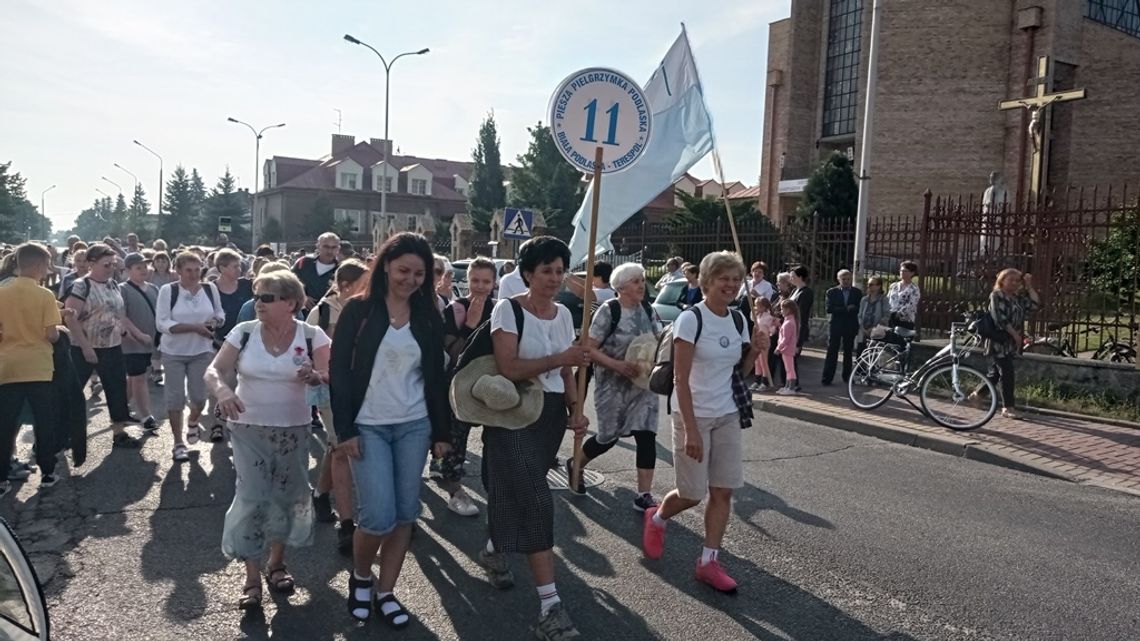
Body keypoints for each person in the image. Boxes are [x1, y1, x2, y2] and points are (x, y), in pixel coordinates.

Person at [329, 232, 453, 629]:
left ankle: (386, 591)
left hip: (414, 424)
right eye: (404, 270)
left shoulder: (430, 313)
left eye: (420, 273)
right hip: (368, 426)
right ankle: (360, 579)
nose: (411, 279)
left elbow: (435, 376)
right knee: (378, 517)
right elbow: (339, 375)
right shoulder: (358, 311)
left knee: (404, 514)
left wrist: (442, 433)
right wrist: (344, 429)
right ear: (385, 265)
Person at [477, 235, 589, 639]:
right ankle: (550, 607)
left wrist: (576, 410)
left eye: (560, 271)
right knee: (539, 501)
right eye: (546, 271)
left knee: (515, 492)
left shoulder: (563, 314)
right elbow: (508, 367)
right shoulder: (508, 310)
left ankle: (493, 551)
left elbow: (567, 372)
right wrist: (562, 357)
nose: (555, 278)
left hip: (550, 417)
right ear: (527, 273)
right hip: (512, 416)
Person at [206, 269, 331, 610]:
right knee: (252, 495)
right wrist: (222, 391)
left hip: (294, 430)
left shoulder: (311, 335)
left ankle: (277, 563)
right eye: (256, 295)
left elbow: (332, 373)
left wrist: (316, 376)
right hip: (248, 429)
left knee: (286, 496)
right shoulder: (243, 332)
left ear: (291, 302)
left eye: (266, 297)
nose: (257, 303)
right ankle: (251, 576)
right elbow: (214, 370)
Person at [642, 251, 765, 594]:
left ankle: (708, 562)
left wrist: (755, 351)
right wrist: (691, 430)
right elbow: (680, 379)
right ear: (708, 280)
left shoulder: (739, 320)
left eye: (736, 279)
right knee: (693, 493)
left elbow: (737, 373)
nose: (731, 284)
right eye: (724, 278)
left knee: (723, 490)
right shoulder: (691, 320)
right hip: (692, 414)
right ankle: (657, 518)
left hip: (726, 413)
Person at [569, 262, 662, 510]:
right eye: (636, 282)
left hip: (643, 385)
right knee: (608, 437)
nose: (641, 285)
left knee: (646, 435)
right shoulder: (609, 311)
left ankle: (644, 494)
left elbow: (658, 339)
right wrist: (617, 365)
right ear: (621, 287)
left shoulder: (648, 309)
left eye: (642, 280)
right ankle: (576, 463)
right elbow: (588, 348)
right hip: (613, 385)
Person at [306, 259, 368, 553]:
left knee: (336, 445)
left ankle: (320, 494)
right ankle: (346, 525)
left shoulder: (369, 308)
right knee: (342, 449)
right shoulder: (322, 312)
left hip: (362, 389)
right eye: (362, 284)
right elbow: (303, 350)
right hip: (329, 388)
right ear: (344, 287)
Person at [0, 243, 67, 496]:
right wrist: (61, 335)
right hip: (38, 366)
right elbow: (50, 335)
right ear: (39, 266)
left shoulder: (1, 292)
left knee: (5, 423)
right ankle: (48, 472)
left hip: (8, 365)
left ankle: (2, 478)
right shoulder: (44, 295)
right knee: (43, 420)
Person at [435, 257, 498, 517]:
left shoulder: (501, 309)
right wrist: (470, 325)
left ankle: (495, 487)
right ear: (468, 280)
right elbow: (454, 352)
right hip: (458, 383)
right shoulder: (455, 309)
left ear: (495, 283)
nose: (480, 286)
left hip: (491, 384)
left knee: (494, 438)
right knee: (455, 437)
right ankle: (454, 489)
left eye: (486, 281)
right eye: (475, 280)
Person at [63, 243, 141, 447]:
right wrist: (86, 347)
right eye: (106, 264)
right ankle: (58, 433)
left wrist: (129, 332)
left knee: (116, 388)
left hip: (112, 346)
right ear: (91, 264)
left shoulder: (113, 284)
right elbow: (70, 318)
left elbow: (118, 313)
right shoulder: (81, 285)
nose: (111, 268)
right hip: (82, 348)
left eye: (113, 264)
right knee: (71, 391)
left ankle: (119, 433)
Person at [156, 252, 225, 461]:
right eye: (188, 270)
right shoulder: (169, 291)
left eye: (197, 270)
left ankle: (193, 422)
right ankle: (178, 443)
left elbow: (220, 314)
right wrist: (194, 327)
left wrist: (215, 322)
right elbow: (162, 323)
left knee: (199, 398)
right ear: (178, 271)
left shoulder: (209, 289)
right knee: (175, 399)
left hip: (201, 351)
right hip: (173, 352)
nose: (194, 274)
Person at [986, 269, 1040, 420]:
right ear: (1002, 280)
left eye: (1017, 281)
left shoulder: (1016, 298)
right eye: (1011, 280)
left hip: (1010, 341)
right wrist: (1015, 335)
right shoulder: (996, 295)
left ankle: (977, 395)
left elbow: (1034, 304)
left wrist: (1029, 286)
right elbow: (999, 318)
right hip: (999, 339)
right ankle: (1008, 407)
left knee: (996, 373)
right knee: (1007, 372)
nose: (1015, 283)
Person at [119, 253, 159, 433]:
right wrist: (136, 335)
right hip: (131, 343)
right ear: (128, 270)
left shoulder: (153, 289)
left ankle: (119, 408)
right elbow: (122, 317)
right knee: (139, 378)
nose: (143, 270)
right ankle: (145, 416)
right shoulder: (123, 289)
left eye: (145, 266)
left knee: (135, 378)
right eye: (138, 267)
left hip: (149, 342)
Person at [822, 269, 862, 386]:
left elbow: (858, 308)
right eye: (843, 279)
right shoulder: (832, 292)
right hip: (836, 325)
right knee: (832, 351)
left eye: (848, 279)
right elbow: (829, 308)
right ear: (838, 279)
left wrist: (848, 309)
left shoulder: (857, 292)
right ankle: (827, 378)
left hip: (850, 325)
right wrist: (846, 309)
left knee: (848, 352)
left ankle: (847, 377)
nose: (846, 281)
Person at [292, 232, 341, 312]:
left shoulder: (341, 269)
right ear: (318, 246)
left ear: (338, 249)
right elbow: (289, 285)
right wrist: (303, 297)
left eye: (333, 247)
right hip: (301, 314)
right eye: (326, 246)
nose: (329, 251)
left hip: (327, 316)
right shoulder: (303, 263)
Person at [788, 266, 813, 392]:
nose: (791, 278)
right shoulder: (794, 291)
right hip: (788, 329)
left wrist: (799, 340)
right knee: (788, 360)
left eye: (793, 276)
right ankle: (788, 383)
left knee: (793, 359)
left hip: (797, 329)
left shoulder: (806, 293)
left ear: (800, 277)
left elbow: (802, 316)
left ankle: (794, 384)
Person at [749, 296, 777, 392]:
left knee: (763, 361)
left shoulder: (768, 317)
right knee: (757, 361)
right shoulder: (757, 316)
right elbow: (752, 317)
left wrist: (772, 329)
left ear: (764, 307)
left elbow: (772, 329)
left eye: (758, 306)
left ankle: (764, 381)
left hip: (764, 341)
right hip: (757, 340)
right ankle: (757, 380)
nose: (756, 308)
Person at [857, 276, 890, 354]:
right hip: (863, 332)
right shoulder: (864, 299)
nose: (869, 287)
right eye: (868, 284)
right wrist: (862, 328)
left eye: (871, 284)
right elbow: (859, 315)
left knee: (873, 355)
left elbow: (886, 315)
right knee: (861, 355)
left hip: (877, 332)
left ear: (878, 286)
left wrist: (874, 328)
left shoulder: (883, 299)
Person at [774, 299, 801, 395]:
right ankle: (787, 386)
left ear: (788, 310)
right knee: (788, 369)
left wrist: (778, 348)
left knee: (790, 369)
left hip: (787, 350)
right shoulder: (789, 321)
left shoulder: (789, 323)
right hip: (787, 349)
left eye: (782, 309)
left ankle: (791, 388)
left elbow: (785, 339)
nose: (781, 311)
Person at [888, 261, 921, 329]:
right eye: (901, 270)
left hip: (905, 320)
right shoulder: (894, 286)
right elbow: (888, 299)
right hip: (889, 318)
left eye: (905, 271)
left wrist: (898, 314)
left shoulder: (914, 289)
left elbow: (911, 305)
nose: (901, 272)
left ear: (912, 273)